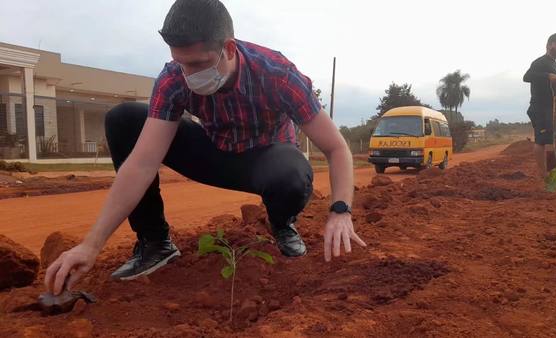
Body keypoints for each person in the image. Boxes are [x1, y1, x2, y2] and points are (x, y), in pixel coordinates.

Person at [45, 0, 366, 295]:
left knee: (291, 171)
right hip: (214, 154)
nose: (189, 74)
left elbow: (337, 148)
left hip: (268, 161)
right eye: (181, 63)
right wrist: (91, 244)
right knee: (124, 118)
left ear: (228, 48)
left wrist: (340, 211)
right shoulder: (173, 80)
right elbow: (142, 163)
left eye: (199, 63)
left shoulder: (277, 74)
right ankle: (155, 243)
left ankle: (282, 225)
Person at [523, 33, 556, 178]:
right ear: (549, 45)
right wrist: (547, 76)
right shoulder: (540, 62)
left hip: (554, 107)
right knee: (543, 141)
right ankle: (543, 174)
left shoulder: (555, 64)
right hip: (540, 108)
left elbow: (555, 89)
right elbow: (526, 77)